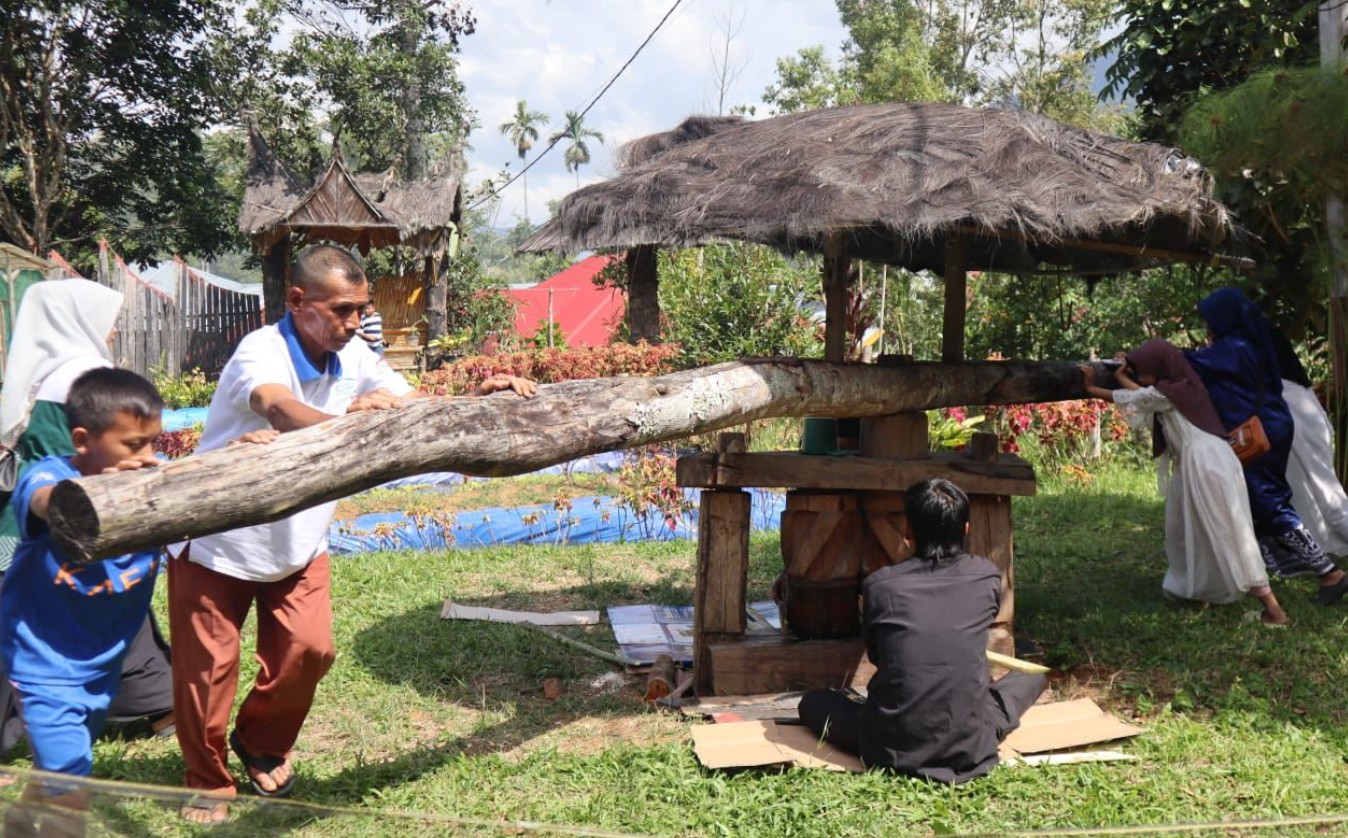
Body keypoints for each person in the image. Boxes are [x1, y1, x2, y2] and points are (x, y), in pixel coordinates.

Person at [169, 244, 535, 824]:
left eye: (361, 309)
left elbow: (414, 407)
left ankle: (261, 742)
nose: (354, 322)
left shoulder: (356, 355)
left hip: (298, 538)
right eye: (342, 309)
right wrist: (355, 430)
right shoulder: (261, 351)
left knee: (310, 652)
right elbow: (279, 409)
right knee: (208, 670)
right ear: (298, 301)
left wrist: (471, 402)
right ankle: (207, 780)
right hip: (221, 540)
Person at [0, 280, 175, 759]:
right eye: (109, 318)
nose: (114, 330)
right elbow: (64, 475)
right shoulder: (84, 377)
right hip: (76, 527)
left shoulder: (37, 373)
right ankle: (153, 707)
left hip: (25, 529)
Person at [0, 368, 166, 837]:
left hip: (99, 668)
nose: (147, 457)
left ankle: (16, 823)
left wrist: (243, 454)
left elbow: (209, 484)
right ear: (83, 440)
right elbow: (41, 499)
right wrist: (93, 495)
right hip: (43, 668)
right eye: (133, 445)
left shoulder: (153, 485)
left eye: (154, 441)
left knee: (61, 772)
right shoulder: (51, 475)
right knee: (73, 796)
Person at [796, 478, 1046, 784]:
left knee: (813, 702)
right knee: (1031, 676)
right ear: (966, 530)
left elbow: (879, 656)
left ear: (908, 531)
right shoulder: (986, 578)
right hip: (970, 744)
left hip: (891, 743)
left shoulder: (880, 585)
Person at [1081, 341, 1287, 624]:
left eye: (1145, 371)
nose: (1141, 376)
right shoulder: (1180, 387)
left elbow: (1137, 398)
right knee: (1192, 529)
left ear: (1160, 368)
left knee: (1227, 531)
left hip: (1206, 464)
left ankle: (1273, 609)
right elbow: (1142, 393)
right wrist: (1122, 371)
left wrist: (1092, 388)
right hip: (1205, 462)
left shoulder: (1172, 392)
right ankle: (1203, 590)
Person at [1184, 287, 1348, 605]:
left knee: (1320, 498)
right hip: (1288, 416)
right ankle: (1306, 570)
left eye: (1210, 320)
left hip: (1283, 419)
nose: (1208, 328)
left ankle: (1328, 574)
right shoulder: (1255, 334)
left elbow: (1192, 365)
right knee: (1282, 501)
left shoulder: (1236, 346)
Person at [1267, 321, 1348, 557]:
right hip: (1306, 433)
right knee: (1316, 497)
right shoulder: (1291, 385)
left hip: (1305, 435)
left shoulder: (1285, 390)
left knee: (1329, 499)